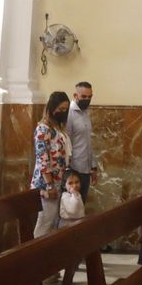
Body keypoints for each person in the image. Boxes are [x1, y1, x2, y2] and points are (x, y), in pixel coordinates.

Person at [33, 91, 72, 238]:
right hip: (46, 183)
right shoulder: (43, 129)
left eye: (66, 109)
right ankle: (35, 251)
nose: (64, 112)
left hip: (59, 180)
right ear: (52, 107)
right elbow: (43, 159)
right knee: (45, 222)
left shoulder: (57, 127)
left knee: (54, 222)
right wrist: (50, 185)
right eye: (61, 109)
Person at [67, 81, 98, 205]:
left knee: (81, 206)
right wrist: (69, 172)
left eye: (90, 97)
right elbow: (67, 143)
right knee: (72, 207)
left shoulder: (85, 112)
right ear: (75, 95)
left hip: (86, 168)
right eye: (84, 97)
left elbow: (88, 142)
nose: (87, 100)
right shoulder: (69, 113)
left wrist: (93, 167)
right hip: (74, 169)